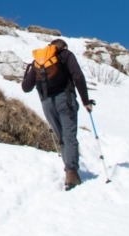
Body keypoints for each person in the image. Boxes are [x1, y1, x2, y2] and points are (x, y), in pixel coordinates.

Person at [21, 38, 94, 190]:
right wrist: (85, 100)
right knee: (69, 135)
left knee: (61, 138)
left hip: (47, 103)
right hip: (65, 99)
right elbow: (78, 76)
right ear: (63, 46)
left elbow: (26, 87)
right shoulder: (66, 55)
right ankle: (71, 173)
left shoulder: (39, 60)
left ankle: (69, 171)